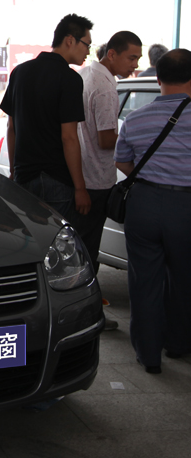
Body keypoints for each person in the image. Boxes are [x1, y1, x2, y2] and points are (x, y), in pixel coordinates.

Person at [114, 48, 191, 374]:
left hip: (143, 205)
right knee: (184, 280)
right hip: (186, 207)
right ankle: (178, 344)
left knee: (144, 282)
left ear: (157, 78)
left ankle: (149, 356)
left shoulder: (136, 118)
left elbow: (122, 161)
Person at [0, 13, 93, 224]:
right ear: (70, 40)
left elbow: (11, 128)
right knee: (57, 240)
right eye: (87, 44)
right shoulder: (70, 79)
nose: (88, 51)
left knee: (30, 237)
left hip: (24, 177)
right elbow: (69, 137)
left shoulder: (20, 72)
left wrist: (14, 171)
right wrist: (80, 188)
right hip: (56, 179)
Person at [77, 31, 142, 331]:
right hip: (97, 179)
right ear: (112, 54)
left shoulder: (85, 74)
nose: (135, 65)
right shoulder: (105, 88)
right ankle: (89, 316)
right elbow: (106, 140)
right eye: (132, 58)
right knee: (89, 253)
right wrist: (135, 139)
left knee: (82, 250)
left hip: (81, 173)